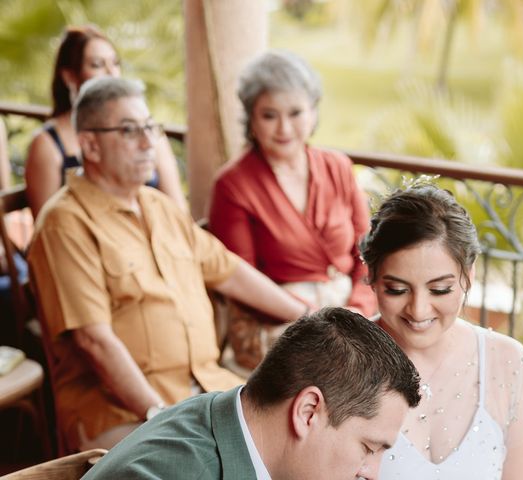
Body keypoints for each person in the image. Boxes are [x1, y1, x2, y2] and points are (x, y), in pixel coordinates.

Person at [27, 76, 311, 453]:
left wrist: (309, 317)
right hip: (124, 411)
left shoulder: (158, 206)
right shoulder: (65, 223)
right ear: (91, 145)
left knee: (305, 437)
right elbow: (94, 342)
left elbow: (228, 270)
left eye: (150, 128)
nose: (149, 143)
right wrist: (162, 418)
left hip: (207, 388)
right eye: (129, 131)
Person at [82, 307, 421, 480]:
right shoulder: (177, 473)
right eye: (368, 448)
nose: (372, 472)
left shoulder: (231, 420)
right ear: (307, 411)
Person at [359, 181, 523, 479]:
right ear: (371, 275)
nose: (419, 310)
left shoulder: (509, 364)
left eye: (440, 289)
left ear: (469, 274)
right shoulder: (343, 363)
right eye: (397, 289)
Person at [209, 50, 376, 371]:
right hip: (281, 319)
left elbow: (368, 252)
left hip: (351, 310)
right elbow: (239, 279)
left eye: (296, 112)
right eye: (269, 115)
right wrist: (309, 315)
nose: (284, 128)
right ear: (251, 120)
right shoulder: (232, 185)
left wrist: (360, 307)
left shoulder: (337, 166)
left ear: (313, 113)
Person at [25, 25, 186, 219]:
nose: (111, 72)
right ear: (69, 76)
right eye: (97, 65)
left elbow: (179, 213)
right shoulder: (47, 144)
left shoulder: (151, 136)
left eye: (115, 63)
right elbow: (47, 227)